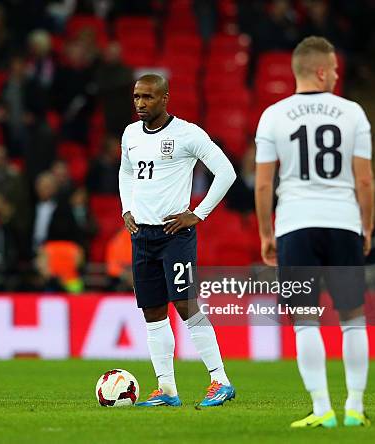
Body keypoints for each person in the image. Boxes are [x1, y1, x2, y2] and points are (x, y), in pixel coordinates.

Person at [255, 36, 374, 428]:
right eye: (335, 69)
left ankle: (322, 409)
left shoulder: (273, 115)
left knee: (305, 319)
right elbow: (365, 181)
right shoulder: (353, 113)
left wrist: (265, 234)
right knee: (353, 318)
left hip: (294, 227)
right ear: (321, 71)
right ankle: (354, 407)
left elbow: (262, 185)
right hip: (343, 224)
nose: (338, 75)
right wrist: (366, 227)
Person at [119, 74, 237, 407]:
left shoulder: (187, 134)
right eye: (136, 97)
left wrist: (199, 214)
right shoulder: (130, 134)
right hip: (142, 235)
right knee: (153, 312)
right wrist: (127, 207)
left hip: (175, 234)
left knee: (186, 306)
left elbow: (226, 172)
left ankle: (220, 380)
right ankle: (167, 388)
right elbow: (126, 172)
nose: (141, 103)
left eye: (148, 97)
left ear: (165, 98)